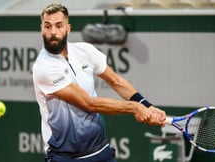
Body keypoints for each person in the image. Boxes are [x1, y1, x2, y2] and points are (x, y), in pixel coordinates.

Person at [32, 3, 166, 162]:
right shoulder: (44, 67)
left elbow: (116, 81)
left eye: (58, 26)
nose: (53, 32)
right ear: (42, 29)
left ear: (68, 28)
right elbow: (89, 103)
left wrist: (146, 105)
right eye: (48, 26)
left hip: (100, 152)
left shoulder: (85, 51)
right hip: (64, 157)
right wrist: (135, 107)